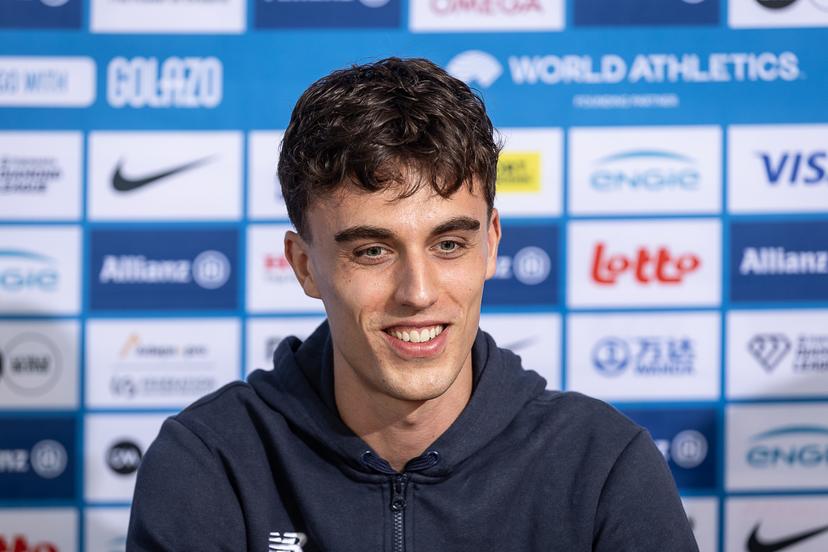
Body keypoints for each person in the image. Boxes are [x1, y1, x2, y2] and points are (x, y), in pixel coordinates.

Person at [127, 57, 698, 551]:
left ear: (491, 244)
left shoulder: (603, 466)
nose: (419, 293)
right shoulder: (210, 463)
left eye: (449, 244)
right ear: (304, 266)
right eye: (372, 251)